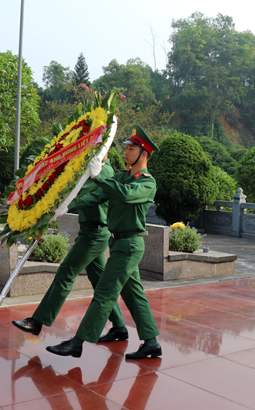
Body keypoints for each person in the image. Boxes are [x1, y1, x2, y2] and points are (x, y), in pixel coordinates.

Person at [46, 125, 163, 359]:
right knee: (133, 294)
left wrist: (99, 177)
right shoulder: (121, 176)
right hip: (118, 243)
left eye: (132, 149)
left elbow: (125, 194)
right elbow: (97, 196)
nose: (126, 152)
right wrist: (66, 207)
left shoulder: (147, 183)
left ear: (144, 154)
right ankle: (151, 342)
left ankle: (78, 342)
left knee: (104, 293)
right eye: (127, 148)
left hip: (130, 245)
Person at [12, 153, 127, 339]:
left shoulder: (103, 170)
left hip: (95, 234)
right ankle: (120, 327)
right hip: (90, 230)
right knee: (100, 282)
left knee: (66, 272)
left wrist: (51, 203)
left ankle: (37, 321)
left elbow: (77, 194)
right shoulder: (92, 168)